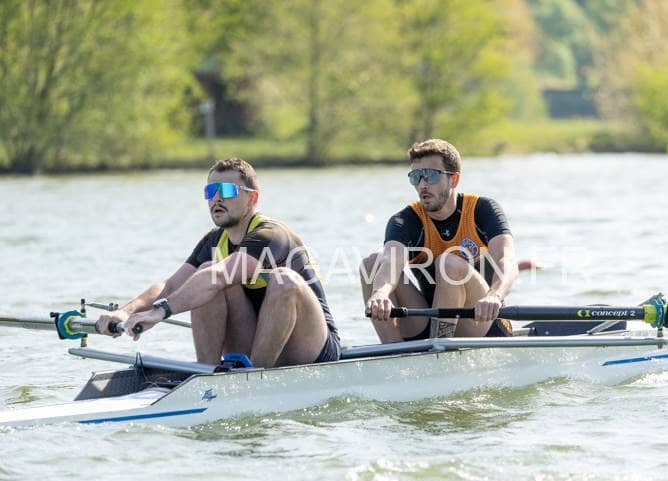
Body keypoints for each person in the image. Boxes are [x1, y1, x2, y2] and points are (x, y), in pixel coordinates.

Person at [98, 158, 340, 367]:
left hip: (311, 347)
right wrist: (125, 312)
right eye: (210, 191)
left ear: (252, 198)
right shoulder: (214, 241)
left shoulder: (271, 235)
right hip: (257, 343)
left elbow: (221, 274)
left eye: (226, 190)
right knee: (205, 272)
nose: (216, 198)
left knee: (281, 280)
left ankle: (256, 378)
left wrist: (160, 312)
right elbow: (170, 286)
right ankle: (208, 373)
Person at [361, 138, 518, 342]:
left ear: (454, 179)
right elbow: (391, 260)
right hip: (428, 320)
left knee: (448, 263)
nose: (422, 185)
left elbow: (507, 260)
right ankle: (392, 351)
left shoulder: (482, 210)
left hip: (483, 321)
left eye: (430, 176)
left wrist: (494, 296)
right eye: (416, 177)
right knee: (371, 265)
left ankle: (439, 348)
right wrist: (380, 293)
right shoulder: (405, 221)